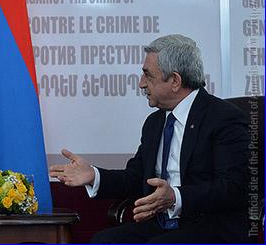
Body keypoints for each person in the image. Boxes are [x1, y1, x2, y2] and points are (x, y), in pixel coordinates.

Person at [49, 34, 249, 243]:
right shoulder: (155, 122)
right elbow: (135, 178)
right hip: (162, 225)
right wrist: (94, 176)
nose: (141, 83)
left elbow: (233, 187)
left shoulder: (224, 118)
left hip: (208, 227)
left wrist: (175, 196)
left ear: (175, 80)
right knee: (103, 241)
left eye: (148, 75)